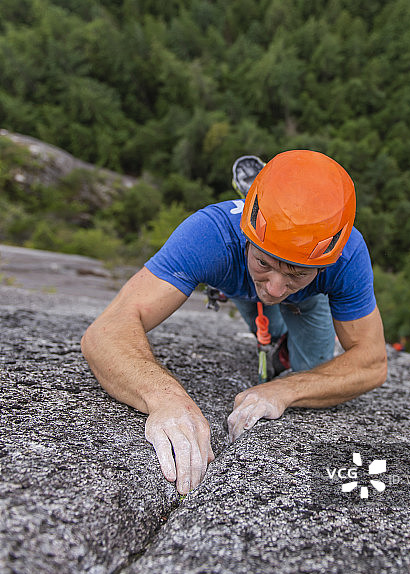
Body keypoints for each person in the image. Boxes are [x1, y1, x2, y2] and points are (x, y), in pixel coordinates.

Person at [81, 150, 387, 495]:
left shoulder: (347, 256)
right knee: (259, 298)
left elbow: (372, 362)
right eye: (265, 263)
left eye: (296, 272)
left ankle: (280, 319)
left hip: (304, 297)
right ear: (248, 234)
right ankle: (262, 280)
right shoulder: (209, 235)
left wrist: (283, 390)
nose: (273, 288)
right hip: (235, 275)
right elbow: (105, 331)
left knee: (308, 366)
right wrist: (164, 398)